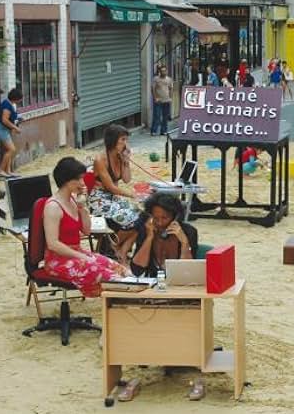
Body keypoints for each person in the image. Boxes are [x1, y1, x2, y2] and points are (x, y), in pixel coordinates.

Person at [43, 157, 128, 297]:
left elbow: (86, 231)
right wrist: (81, 256)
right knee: (110, 277)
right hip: (58, 260)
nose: (83, 183)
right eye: (79, 179)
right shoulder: (53, 207)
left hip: (76, 253)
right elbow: (53, 244)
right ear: (68, 181)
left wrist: (82, 207)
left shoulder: (72, 200)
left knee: (119, 269)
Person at [88, 124, 140, 264]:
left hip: (113, 198)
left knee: (143, 217)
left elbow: (126, 179)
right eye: (122, 140)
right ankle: (112, 248)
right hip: (99, 199)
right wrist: (133, 195)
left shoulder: (119, 156)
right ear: (113, 140)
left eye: (126, 140)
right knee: (131, 218)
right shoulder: (100, 160)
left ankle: (120, 249)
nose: (125, 144)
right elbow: (111, 187)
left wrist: (126, 161)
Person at [130, 192, 198, 278]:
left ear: (175, 217)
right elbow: (137, 270)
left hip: (178, 283)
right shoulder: (146, 230)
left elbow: (188, 271)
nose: (160, 223)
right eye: (155, 218)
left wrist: (184, 243)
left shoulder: (188, 232)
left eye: (164, 218)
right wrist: (149, 238)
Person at [0, 88, 23, 177]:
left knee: (8, 150)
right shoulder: (7, 105)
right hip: (0, 128)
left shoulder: (9, 104)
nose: (20, 101)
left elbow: (9, 118)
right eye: (19, 99)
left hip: (4, 129)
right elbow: (4, 120)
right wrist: (15, 128)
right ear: (15, 98)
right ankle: (0, 170)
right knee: (11, 149)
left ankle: (8, 171)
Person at [151, 66, 173, 136]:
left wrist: (170, 98)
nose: (163, 72)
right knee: (157, 116)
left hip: (166, 101)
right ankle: (154, 130)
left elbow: (171, 89)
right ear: (159, 72)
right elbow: (153, 88)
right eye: (162, 71)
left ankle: (163, 131)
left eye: (164, 71)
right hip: (158, 101)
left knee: (165, 117)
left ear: (167, 71)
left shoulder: (169, 79)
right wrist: (155, 98)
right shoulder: (156, 79)